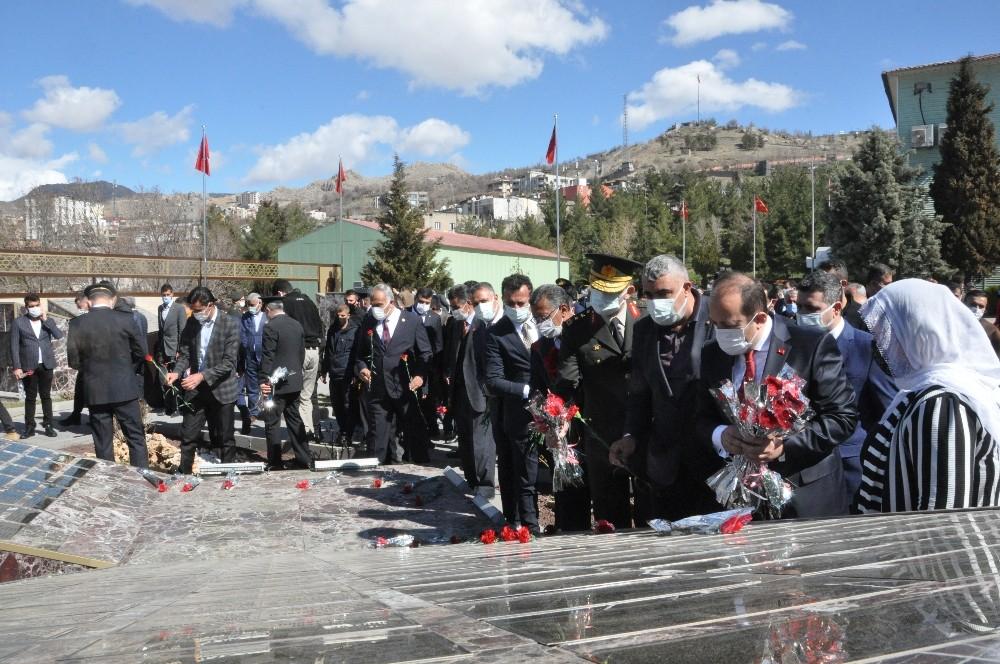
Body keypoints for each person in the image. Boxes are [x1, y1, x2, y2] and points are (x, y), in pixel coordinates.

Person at [696, 272, 858, 518]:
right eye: (715, 324)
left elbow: (842, 417)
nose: (720, 333)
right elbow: (699, 415)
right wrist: (721, 435)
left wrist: (784, 446)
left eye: (729, 325)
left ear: (760, 318)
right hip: (740, 499)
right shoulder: (712, 353)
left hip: (805, 496)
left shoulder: (810, 345)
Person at [856, 280, 1000, 513]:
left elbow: (944, 516)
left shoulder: (943, 403)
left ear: (919, 334)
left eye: (887, 334)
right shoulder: (921, 388)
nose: (879, 345)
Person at [610, 254, 720, 521]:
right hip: (665, 462)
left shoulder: (718, 320)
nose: (656, 302)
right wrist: (630, 435)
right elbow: (639, 393)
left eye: (664, 293)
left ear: (687, 287)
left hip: (715, 462)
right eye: (649, 295)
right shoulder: (644, 329)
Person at [556, 253, 643, 529]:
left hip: (645, 430)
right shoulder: (577, 329)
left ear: (629, 291)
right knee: (610, 515)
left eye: (610, 292)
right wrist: (561, 417)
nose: (602, 298)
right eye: (597, 290)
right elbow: (568, 382)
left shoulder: (647, 322)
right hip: (601, 432)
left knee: (651, 512)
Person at [796, 271, 896, 500]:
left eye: (811, 308)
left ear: (836, 308)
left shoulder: (866, 346)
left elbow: (887, 411)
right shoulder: (792, 345)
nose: (802, 315)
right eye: (799, 307)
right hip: (801, 465)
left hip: (849, 467)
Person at [529, 283, 591, 531]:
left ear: (564, 310)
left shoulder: (589, 334)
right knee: (568, 496)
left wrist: (572, 411)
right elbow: (536, 389)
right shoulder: (540, 347)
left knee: (604, 494)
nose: (539, 323)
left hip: (593, 426)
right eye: (535, 318)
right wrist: (545, 419)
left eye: (543, 317)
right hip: (562, 436)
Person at [67, 282, 148, 466]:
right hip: (125, 388)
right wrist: (125, 369)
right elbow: (141, 352)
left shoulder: (77, 324)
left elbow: (73, 361)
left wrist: (92, 370)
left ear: (89, 301)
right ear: (112, 300)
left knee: (103, 442)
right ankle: (142, 476)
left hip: (96, 390)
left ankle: (108, 478)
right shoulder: (126, 319)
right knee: (135, 437)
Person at [353, 283, 433, 464]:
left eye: (379, 304)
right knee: (377, 435)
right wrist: (362, 368)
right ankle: (377, 468)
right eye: (373, 304)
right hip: (378, 388)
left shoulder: (411, 321)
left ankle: (417, 465)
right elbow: (360, 354)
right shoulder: (368, 321)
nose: (375, 308)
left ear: (390, 302)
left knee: (413, 432)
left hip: (404, 386)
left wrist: (420, 375)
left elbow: (425, 352)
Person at [484, 274, 540, 532]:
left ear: (530, 299)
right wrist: (526, 390)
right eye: (511, 303)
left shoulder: (543, 322)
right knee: (523, 471)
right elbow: (494, 380)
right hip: (519, 413)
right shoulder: (496, 334)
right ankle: (528, 524)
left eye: (521, 303)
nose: (516, 308)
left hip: (554, 410)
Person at [166, 287, 241, 474]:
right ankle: (184, 473)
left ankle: (227, 475)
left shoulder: (229, 324)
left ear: (210, 305)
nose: (196, 313)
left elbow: (229, 363)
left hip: (222, 389)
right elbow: (185, 353)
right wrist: (176, 372)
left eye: (199, 310)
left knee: (225, 437)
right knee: (188, 435)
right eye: (193, 310)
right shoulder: (192, 322)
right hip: (196, 390)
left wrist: (201, 376)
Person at [445, 283, 496, 498]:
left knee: (481, 441)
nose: (454, 311)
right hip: (459, 392)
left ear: (468, 304)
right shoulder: (456, 325)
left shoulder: (483, 324)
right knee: (465, 438)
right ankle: (471, 479)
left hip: (478, 392)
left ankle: (485, 485)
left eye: (456, 306)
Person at [259, 297, 311, 470]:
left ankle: (275, 461)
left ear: (268, 310)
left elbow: (268, 355)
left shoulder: (271, 327)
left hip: (276, 383)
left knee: (272, 422)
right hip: (294, 380)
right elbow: (301, 353)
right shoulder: (297, 324)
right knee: (295, 420)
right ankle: (304, 458)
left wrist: (264, 380)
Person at [273, 279, 324, 442]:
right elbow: (321, 326)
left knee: (295, 395)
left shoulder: (285, 303)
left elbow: (285, 329)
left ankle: (300, 435)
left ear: (280, 293)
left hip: (299, 352)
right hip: (314, 351)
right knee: (307, 395)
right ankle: (310, 430)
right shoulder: (309, 302)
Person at [11, 293, 62, 438]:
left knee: (46, 396)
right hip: (28, 365)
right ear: (26, 307)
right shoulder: (18, 322)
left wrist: (46, 320)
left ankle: (48, 425)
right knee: (30, 397)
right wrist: (17, 367)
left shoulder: (48, 321)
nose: (35, 308)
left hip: (46, 364)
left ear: (40, 304)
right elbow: (14, 346)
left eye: (37, 305)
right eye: (31, 306)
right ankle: (29, 427)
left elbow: (59, 335)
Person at [410, 287, 445, 439]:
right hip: (408, 362)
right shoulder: (405, 314)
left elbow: (438, 344)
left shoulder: (434, 318)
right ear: (415, 299)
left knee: (427, 400)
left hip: (428, 366)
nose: (423, 305)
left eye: (427, 303)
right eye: (421, 301)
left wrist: (435, 367)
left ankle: (430, 429)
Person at [322, 304, 358, 446]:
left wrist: (355, 373)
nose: (340, 318)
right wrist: (324, 370)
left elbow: (356, 354)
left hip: (347, 373)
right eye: (338, 315)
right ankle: (342, 430)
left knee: (348, 404)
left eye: (343, 316)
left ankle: (347, 434)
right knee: (337, 405)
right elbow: (328, 351)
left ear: (348, 315)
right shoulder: (333, 330)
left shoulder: (355, 331)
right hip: (334, 372)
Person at [237, 293, 266, 434]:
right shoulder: (245, 317)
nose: (250, 307)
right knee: (252, 387)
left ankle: (268, 410)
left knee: (267, 385)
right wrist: (245, 346)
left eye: (252, 305)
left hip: (265, 357)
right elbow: (242, 334)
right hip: (250, 357)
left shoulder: (267, 317)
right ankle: (253, 412)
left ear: (260, 303)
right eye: (248, 305)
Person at [156, 284, 187, 416]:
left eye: (168, 295)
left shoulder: (179, 309)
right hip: (163, 348)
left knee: (176, 378)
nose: (166, 297)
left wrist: (180, 349)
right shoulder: (160, 308)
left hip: (175, 348)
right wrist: (159, 348)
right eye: (164, 295)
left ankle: (178, 407)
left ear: (172, 294)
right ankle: (168, 406)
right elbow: (161, 330)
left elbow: (182, 330)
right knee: (163, 377)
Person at [60, 292, 90, 426]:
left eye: (79, 305)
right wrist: (75, 363)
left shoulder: (90, 320)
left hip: (93, 361)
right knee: (80, 390)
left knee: (90, 391)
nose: (78, 309)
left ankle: (91, 416)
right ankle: (76, 415)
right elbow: (72, 345)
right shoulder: (77, 321)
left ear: (86, 302)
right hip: (83, 363)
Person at [964, 289, 1000, 359]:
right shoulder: (951, 324)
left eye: (981, 306)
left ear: (985, 309)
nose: (976, 309)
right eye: (973, 304)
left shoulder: (992, 331)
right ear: (964, 304)